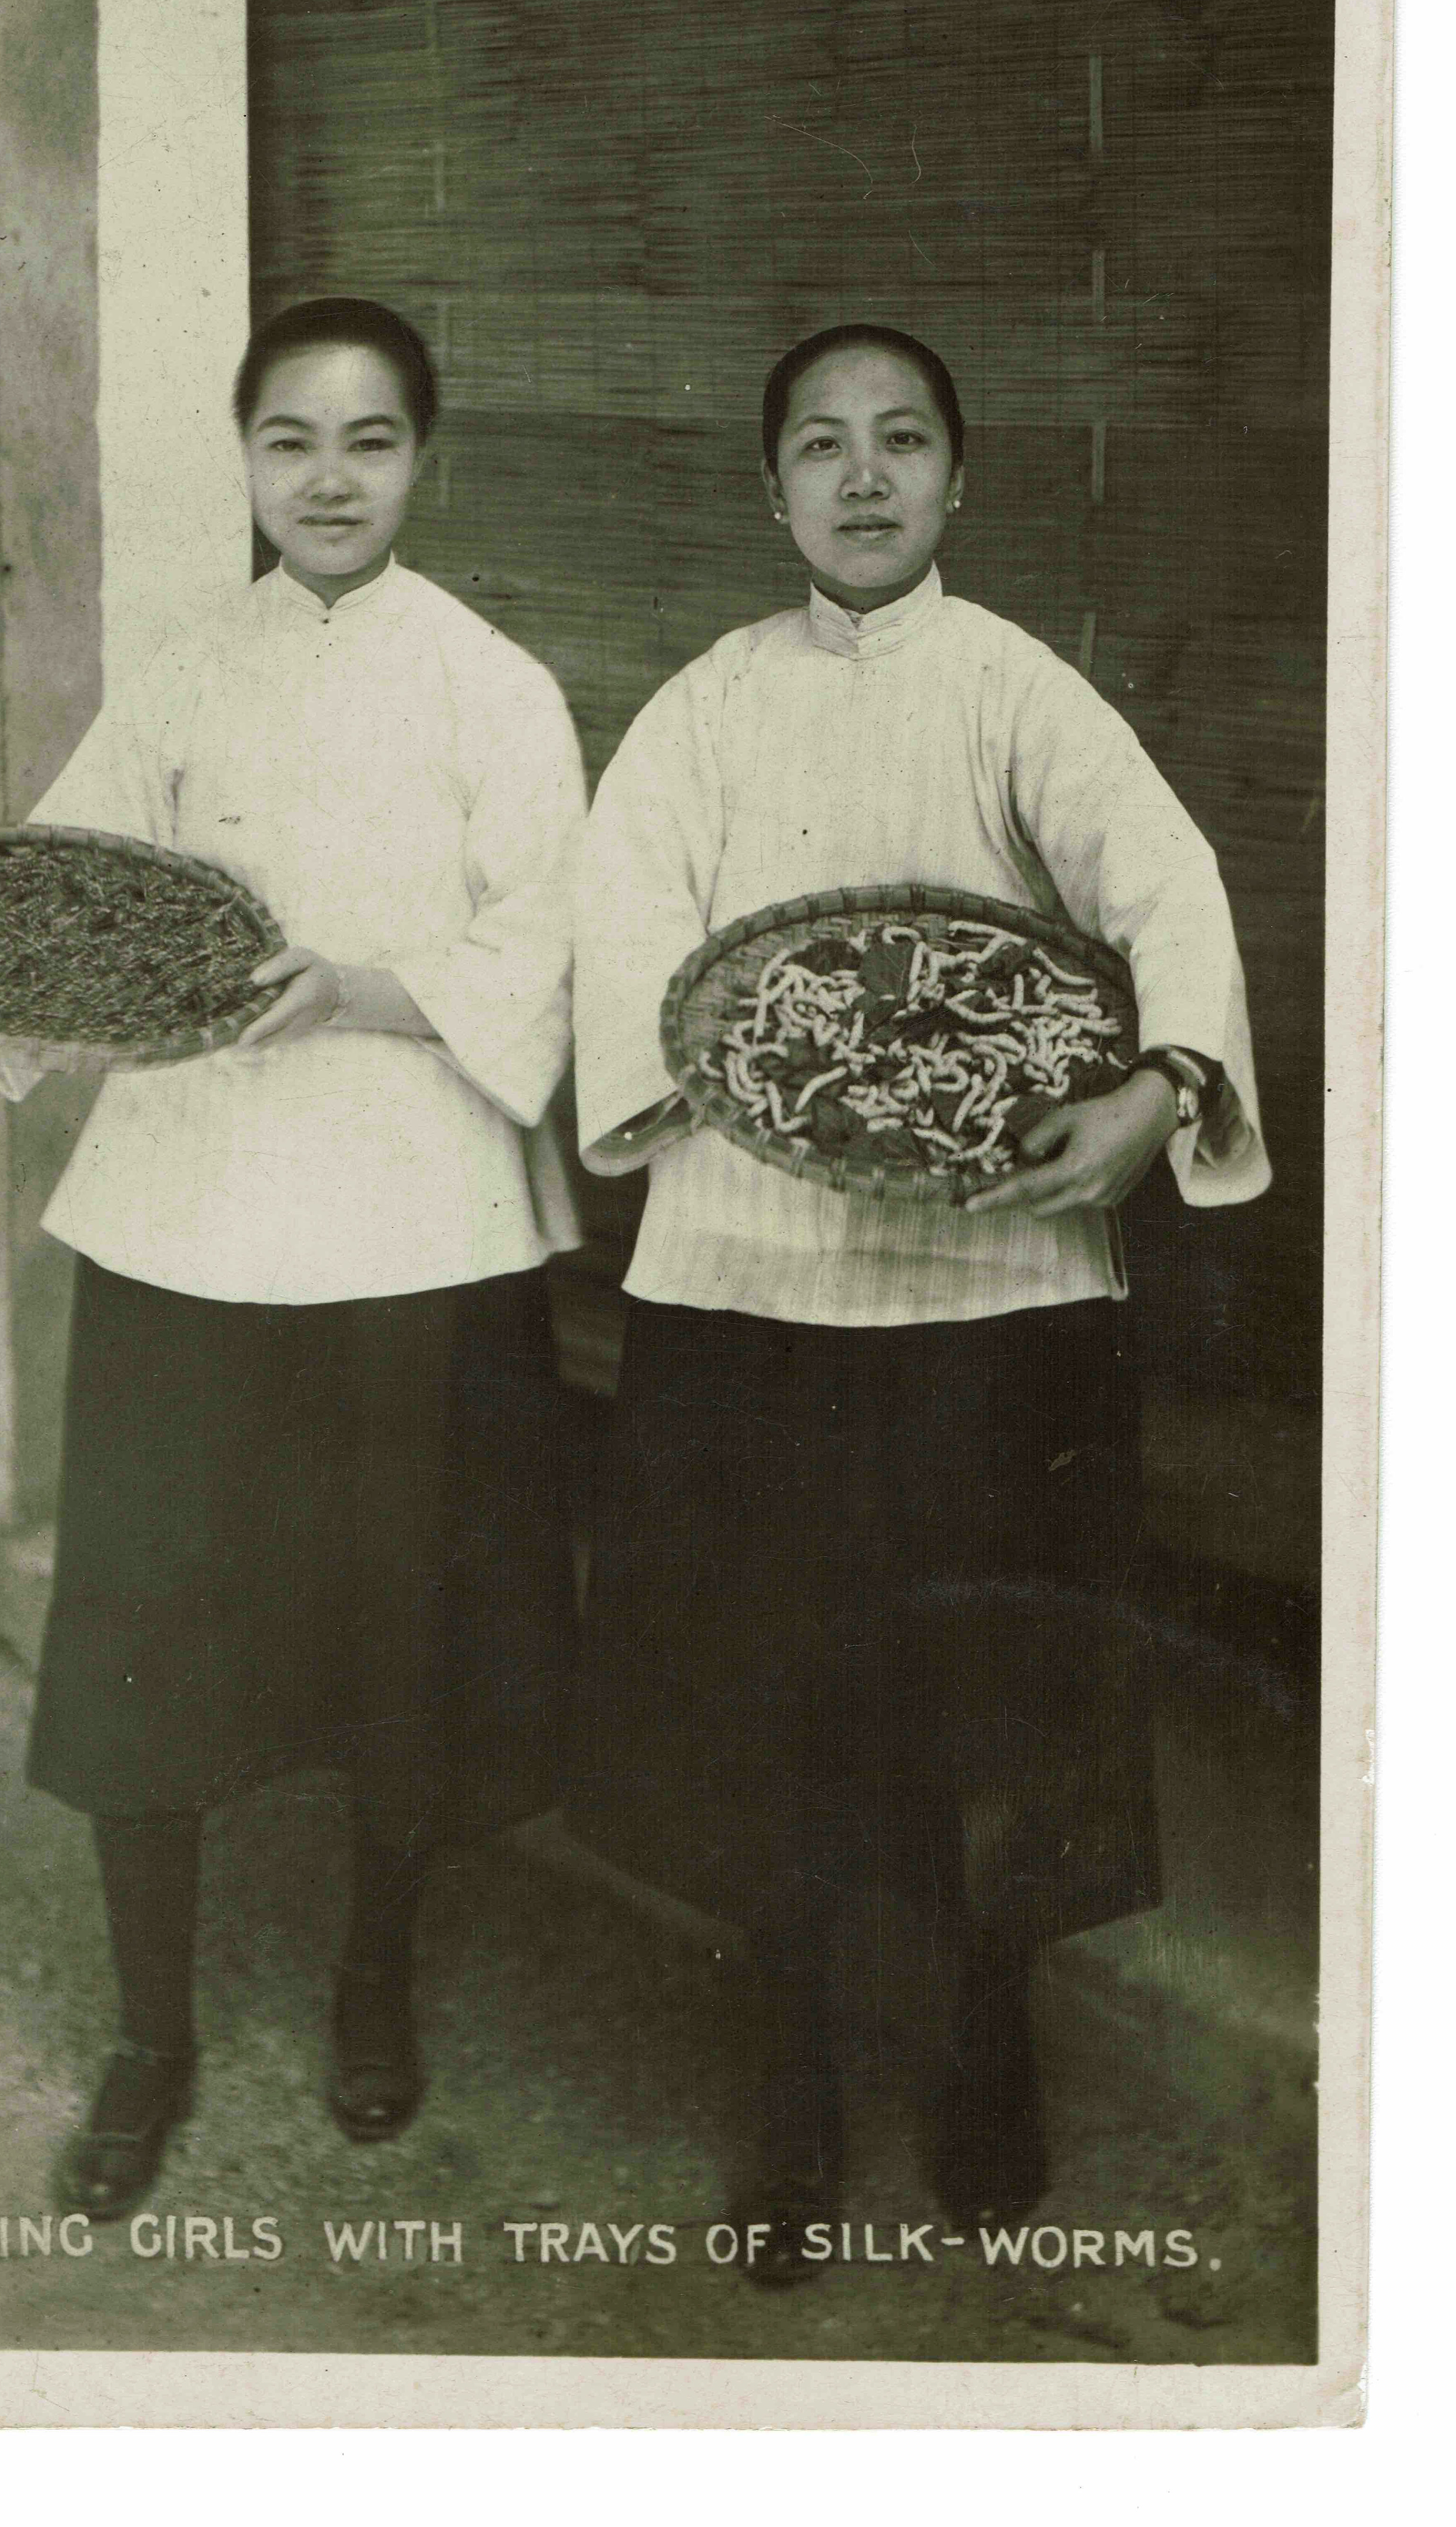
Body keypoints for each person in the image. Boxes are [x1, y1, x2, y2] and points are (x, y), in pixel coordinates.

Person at [571, 323, 1269, 2283]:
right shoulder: (704, 709)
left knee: (998, 1692)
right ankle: (787, 2073)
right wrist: (730, 1095)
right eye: (820, 446)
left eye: (902, 443)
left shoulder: (1019, 689)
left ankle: (987, 2042)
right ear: (768, 491)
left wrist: (1160, 1085)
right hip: (752, 1282)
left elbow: (1169, 884)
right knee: (761, 1693)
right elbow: (629, 925)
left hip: (994, 1292)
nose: (863, 478)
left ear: (964, 480)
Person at [0, 297, 586, 2219]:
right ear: (244, 459)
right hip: (189, 1222)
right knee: (149, 1640)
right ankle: (150, 2037)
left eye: (372, 440)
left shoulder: (496, 686)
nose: (331, 479)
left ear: (425, 458)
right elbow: (64, 899)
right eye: (293, 441)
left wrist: (361, 986)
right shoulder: (182, 675)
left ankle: (371, 1979)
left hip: (414, 1228)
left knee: (395, 1643)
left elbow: (549, 948)